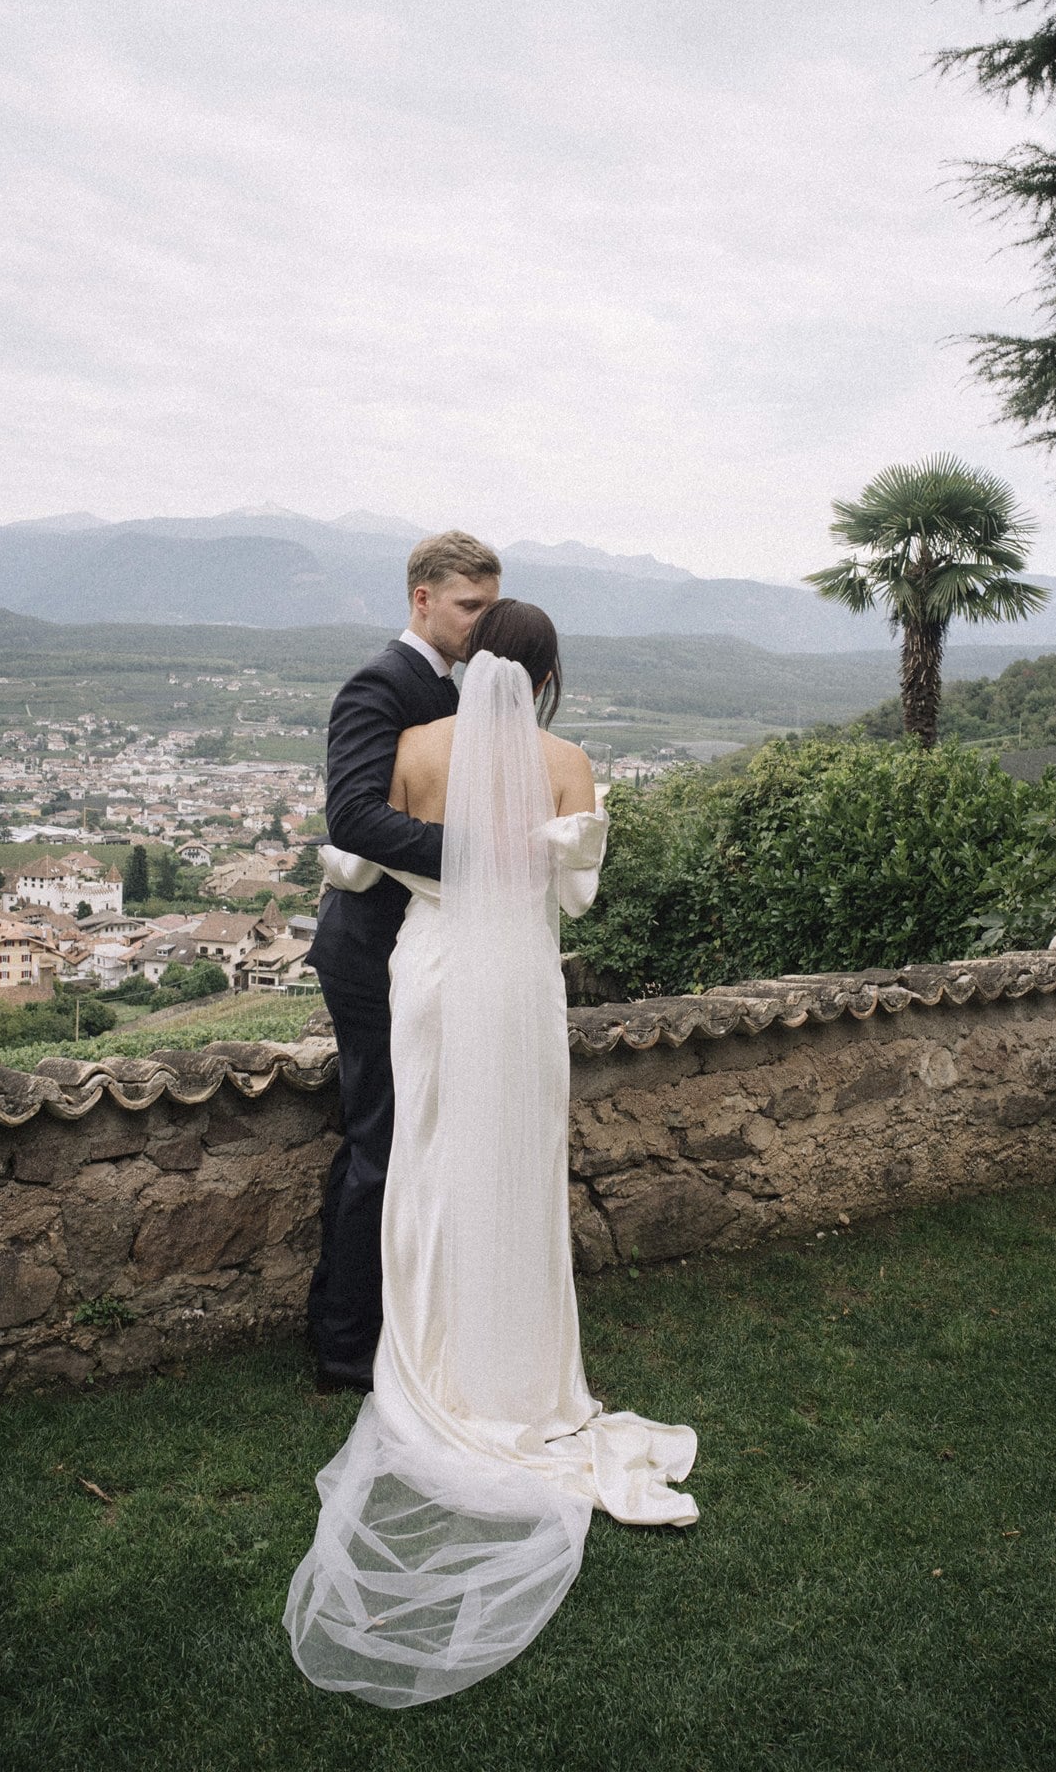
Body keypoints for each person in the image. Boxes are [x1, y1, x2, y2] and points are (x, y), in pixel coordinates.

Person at [285, 601, 698, 1707]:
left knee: (422, 1162)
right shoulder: (568, 760)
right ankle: (513, 1364)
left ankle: (420, 1357)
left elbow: (366, 852)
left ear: (469, 657)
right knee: (513, 1169)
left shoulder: (416, 750)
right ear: (551, 668)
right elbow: (577, 891)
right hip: (517, 979)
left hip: (427, 972)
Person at [306, 530, 501, 1391]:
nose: (480, 623)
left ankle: (402, 1323)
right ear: (421, 598)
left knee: (414, 1138)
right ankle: (343, 1346)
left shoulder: (453, 688)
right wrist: (474, 852)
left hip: (422, 949)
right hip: (370, 952)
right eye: (470, 607)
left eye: (489, 607)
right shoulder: (381, 684)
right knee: (379, 1140)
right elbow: (350, 815)